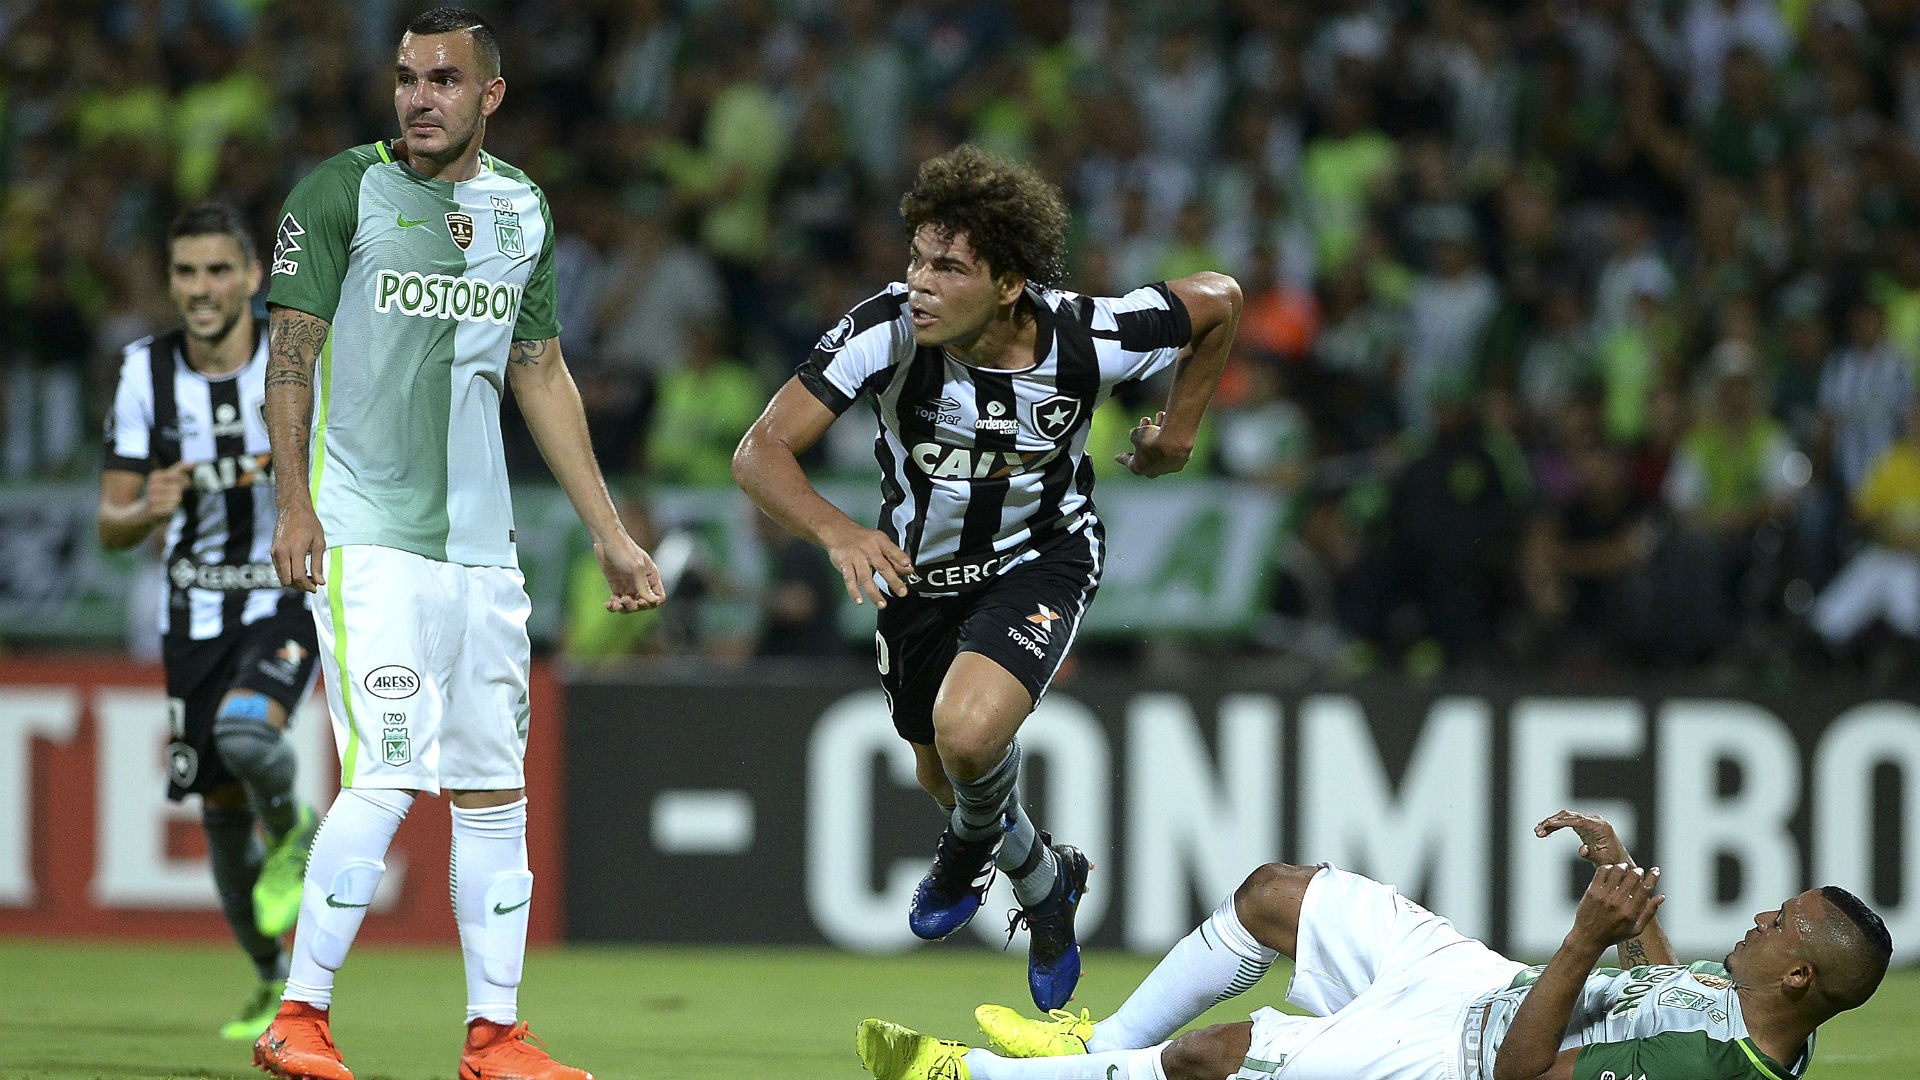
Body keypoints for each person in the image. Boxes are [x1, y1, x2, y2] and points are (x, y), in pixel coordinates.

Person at [251, 9, 663, 1080]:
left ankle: (495, 1036)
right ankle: (299, 1016)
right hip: (369, 536)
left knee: (491, 787)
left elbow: (541, 370)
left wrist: (609, 532)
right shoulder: (340, 191)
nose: (418, 98)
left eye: (442, 79)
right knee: (386, 771)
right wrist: (293, 503)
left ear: (491, 95)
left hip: (485, 550)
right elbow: (289, 354)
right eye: (406, 78)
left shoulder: (522, 209)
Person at [734, 144, 1242, 1012]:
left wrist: (1179, 430)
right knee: (943, 774)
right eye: (917, 260)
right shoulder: (884, 330)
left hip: (1041, 558)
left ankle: (972, 851)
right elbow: (760, 451)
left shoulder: (1089, 337)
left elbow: (1220, 301)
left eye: (949, 268)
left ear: (1008, 284)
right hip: (918, 579)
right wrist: (838, 531)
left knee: (967, 736)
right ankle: (1046, 882)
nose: (920, 285)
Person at [856, 810, 1892, 1080]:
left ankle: (970, 1074)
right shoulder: (1765, 1012)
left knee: (1210, 1059)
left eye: (1778, 925)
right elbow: (1664, 991)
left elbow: (1524, 1072)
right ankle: (1093, 1045)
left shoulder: (1709, 1073)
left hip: (1457, 1056)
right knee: (1276, 895)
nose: (1759, 920)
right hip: (1486, 982)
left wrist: (1585, 938)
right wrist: (1624, 891)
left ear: (1802, 973)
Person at [98, 202, 323, 1044]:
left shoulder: (294, 357)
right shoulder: (143, 374)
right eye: (187, 272)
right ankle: (269, 979)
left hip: (283, 593)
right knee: (220, 807)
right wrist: (143, 511)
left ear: (253, 276)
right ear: (170, 282)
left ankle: (295, 829)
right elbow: (111, 524)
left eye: (219, 270)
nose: (202, 288)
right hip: (191, 611)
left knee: (248, 734)